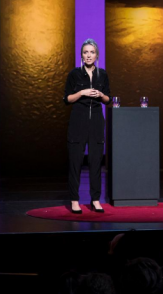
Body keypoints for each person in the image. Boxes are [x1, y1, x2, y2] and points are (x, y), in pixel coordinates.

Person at [63, 38, 111, 214]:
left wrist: (100, 95)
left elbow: (108, 99)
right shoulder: (74, 74)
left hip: (96, 121)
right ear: (81, 56)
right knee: (75, 162)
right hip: (78, 121)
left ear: (97, 55)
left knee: (96, 162)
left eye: (92, 52)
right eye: (85, 52)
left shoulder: (102, 74)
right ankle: (74, 200)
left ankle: (95, 200)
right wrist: (82, 92)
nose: (89, 55)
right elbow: (67, 99)